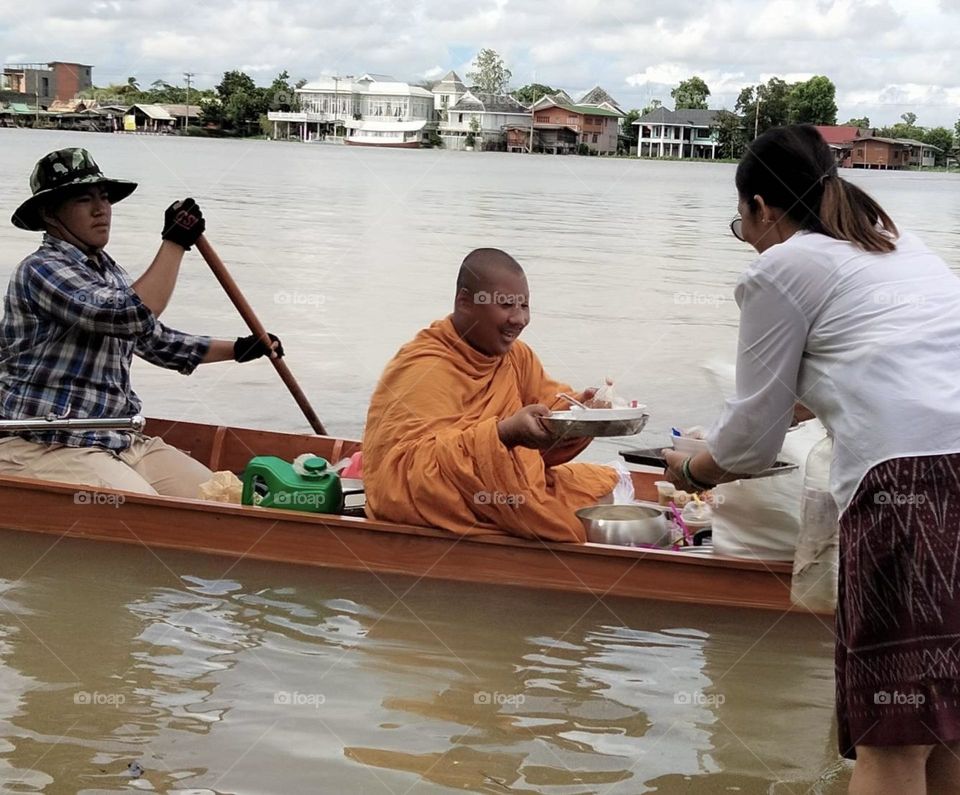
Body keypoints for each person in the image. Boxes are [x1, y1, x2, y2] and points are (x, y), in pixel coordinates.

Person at [662, 125, 960, 793]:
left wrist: (690, 467)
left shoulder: (782, 267)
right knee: (944, 722)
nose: (749, 238)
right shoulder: (894, 242)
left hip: (908, 489)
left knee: (892, 742)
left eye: (743, 224)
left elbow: (750, 443)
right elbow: (852, 375)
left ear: (761, 207)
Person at [0, 147, 284, 497]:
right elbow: (128, 314)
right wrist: (175, 242)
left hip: (118, 438)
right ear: (49, 213)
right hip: (46, 443)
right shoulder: (41, 269)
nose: (100, 210)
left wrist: (241, 349)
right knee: (146, 509)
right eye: (83, 200)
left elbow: (156, 341)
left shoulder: (108, 271)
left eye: (104, 198)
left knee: (227, 497)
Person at [363, 248, 618, 542]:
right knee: (572, 527)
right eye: (507, 305)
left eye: (525, 305)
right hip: (447, 505)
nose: (519, 319)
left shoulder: (515, 357)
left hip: (508, 487)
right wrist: (504, 435)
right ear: (465, 302)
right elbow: (404, 479)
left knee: (606, 488)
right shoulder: (424, 367)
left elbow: (551, 406)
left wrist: (586, 411)